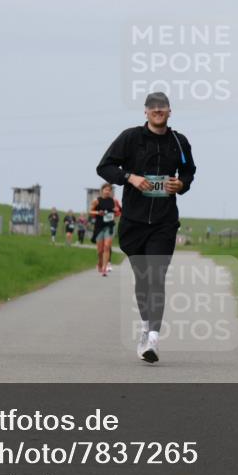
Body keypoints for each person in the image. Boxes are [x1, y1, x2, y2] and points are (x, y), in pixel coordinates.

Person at [97, 91, 196, 363]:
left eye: (162, 107)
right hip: (134, 223)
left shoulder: (179, 141)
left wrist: (182, 184)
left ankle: (153, 337)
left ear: (169, 111)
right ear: (145, 112)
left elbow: (188, 171)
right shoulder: (130, 138)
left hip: (164, 222)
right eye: (153, 107)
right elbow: (104, 167)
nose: (157, 110)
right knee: (143, 280)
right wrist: (130, 177)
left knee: (156, 275)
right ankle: (145, 327)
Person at [89, 183, 122, 276]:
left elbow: (119, 212)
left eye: (109, 190)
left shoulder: (114, 201)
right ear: (102, 190)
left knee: (107, 246)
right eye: (106, 190)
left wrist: (116, 211)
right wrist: (97, 212)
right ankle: (99, 263)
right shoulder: (97, 201)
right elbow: (90, 212)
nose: (107, 192)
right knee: (100, 250)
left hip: (109, 226)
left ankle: (104, 268)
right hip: (99, 226)